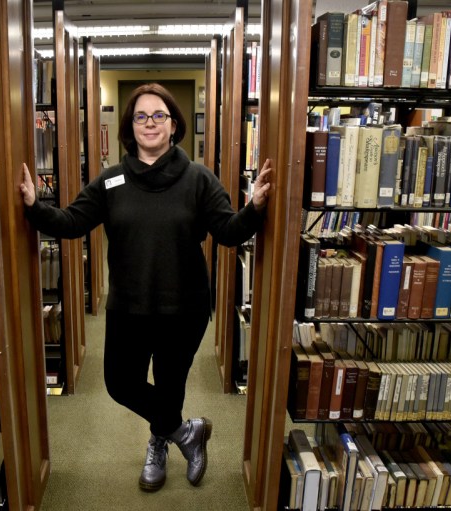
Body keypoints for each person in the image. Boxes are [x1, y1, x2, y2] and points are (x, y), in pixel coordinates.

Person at [19, 83, 272, 492]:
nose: (150, 123)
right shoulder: (111, 181)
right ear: (130, 127)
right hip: (128, 307)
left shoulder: (198, 180)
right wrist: (33, 205)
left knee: (170, 385)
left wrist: (255, 208)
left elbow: (227, 232)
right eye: (141, 116)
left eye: (159, 116)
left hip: (183, 309)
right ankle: (185, 432)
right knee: (121, 384)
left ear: (174, 126)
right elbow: (70, 223)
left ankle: (158, 442)